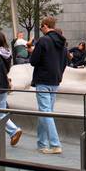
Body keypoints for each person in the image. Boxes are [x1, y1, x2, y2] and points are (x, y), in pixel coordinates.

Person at [30, 16, 68, 155]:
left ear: (45, 25)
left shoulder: (43, 40)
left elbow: (33, 61)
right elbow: (64, 62)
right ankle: (41, 143)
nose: (41, 29)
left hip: (43, 80)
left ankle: (55, 144)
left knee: (45, 112)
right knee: (45, 112)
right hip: (55, 81)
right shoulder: (62, 42)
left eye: (41, 27)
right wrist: (58, 75)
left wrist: (33, 52)